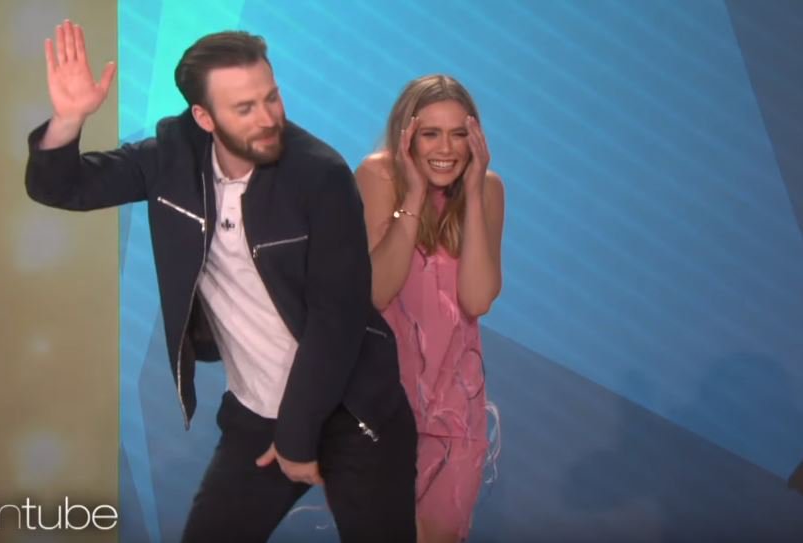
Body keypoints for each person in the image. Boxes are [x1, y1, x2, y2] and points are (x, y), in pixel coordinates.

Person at [25, 20, 416, 542]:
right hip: (256, 415)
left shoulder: (320, 175)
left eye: (271, 97)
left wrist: (297, 438)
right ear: (203, 117)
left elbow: (336, 320)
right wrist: (69, 119)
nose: (269, 118)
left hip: (356, 413)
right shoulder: (170, 160)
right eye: (245, 108)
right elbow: (61, 188)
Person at [354, 74, 504, 543]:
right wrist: (415, 195)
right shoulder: (378, 176)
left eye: (459, 134)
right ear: (407, 136)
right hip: (382, 406)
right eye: (431, 134)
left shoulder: (488, 189)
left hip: (456, 411)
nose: (446, 148)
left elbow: (477, 299)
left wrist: (474, 193)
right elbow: (376, 291)